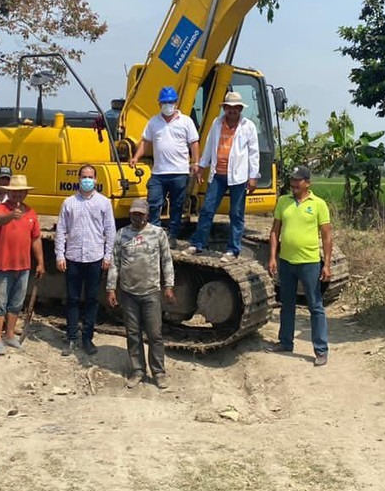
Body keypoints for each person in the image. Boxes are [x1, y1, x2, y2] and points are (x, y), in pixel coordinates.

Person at [267, 165, 333, 367]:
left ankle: (321, 350)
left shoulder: (318, 204)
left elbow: (327, 236)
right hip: (286, 262)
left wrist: (327, 264)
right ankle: (285, 342)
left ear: (307, 183)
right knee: (287, 304)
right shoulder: (283, 201)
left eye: (298, 181)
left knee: (315, 306)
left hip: (309, 263)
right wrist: (272, 257)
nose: (294, 184)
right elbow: (275, 231)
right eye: (292, 180)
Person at [106, 198, 176, 389]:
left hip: (151, 292)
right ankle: (138, 370)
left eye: (140, 214)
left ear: (147, 214)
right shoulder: (122, 234)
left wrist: (169, 286)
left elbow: (166, 261)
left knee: (155, 334)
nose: (137, 217)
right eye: (134, 213)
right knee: (133, 334)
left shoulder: (158, 233)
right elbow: (115, 262)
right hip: (128, 292)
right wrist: (111, 288)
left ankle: (159, 372)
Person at [190, 91, 260, 262]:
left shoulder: (248, 126)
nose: (232, 110)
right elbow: (209, 146)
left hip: (238, 176)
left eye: (236, 108)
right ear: (225, 108)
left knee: (236, 213)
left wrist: (253, 176)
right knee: (207, 209)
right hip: (218, 174)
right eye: (229, 107)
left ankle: (233, 250)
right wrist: (201, 166)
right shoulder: (217, 123)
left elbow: (253, 153)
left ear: (240, 109)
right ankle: (198, 244)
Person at [54, 163, 115, 357]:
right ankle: (71, 337)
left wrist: (108, 256)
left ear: (96, 180)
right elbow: (61, 230)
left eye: (90, 177)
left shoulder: (104, 203)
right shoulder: (69, 203)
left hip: (94, 258)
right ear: (78, 179)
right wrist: (59, 255)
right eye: (84, 176)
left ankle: (87, 338)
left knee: (91, 299)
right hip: (73, 257)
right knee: (72, 299)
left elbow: (110, 231)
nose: (87, 180)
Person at [128, 86, 200, 243]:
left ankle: (173, 235)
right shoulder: (154, 122)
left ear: (176, 103)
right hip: (159, 172)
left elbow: (194, 143)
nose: (168, 105)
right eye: (165, 102)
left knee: (177, 205)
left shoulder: (186, 121)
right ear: (159, 104)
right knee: (153, 203)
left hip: (179, 172)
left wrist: (196, 162)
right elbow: (145, 141)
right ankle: (155, 233)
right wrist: (136, 157)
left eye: (171, 102)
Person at [0, 172, 44, 354]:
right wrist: (11, 215)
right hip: (1, 265)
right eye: (14, 191)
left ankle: (10, 334)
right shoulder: (0, 208)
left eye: (21, 192)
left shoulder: (31, 213)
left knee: (16, 303)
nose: (17, 194)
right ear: (8, 192)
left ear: (26, 193)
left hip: (23, 266)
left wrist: (40, 262)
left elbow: (36, 239)